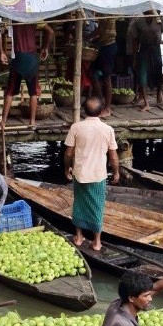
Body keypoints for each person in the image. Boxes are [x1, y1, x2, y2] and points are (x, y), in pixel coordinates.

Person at [64, 96, 119, 251]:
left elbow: (68, 154)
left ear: (84, 111)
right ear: (101, 112)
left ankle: (79, 236)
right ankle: (96, 241)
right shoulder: (108, 130)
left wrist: (66, 169)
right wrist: (116, 173)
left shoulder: (76, 127)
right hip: (98, 175)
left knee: (79, 204)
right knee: (97, 206)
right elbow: (113, 156)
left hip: (80, 173)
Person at [0, 22, 55, 126]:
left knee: (10, 92)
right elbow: (50, 31)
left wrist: (1, 51)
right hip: (31, 59)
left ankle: (3, 121)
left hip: (18, 58)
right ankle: (32, 121)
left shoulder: (12, 18)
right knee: (33, 93)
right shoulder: (34, 17)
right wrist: (45, 48)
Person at [126, 11, 163, 111]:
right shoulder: (139, 22)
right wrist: (134, 56)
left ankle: (158, 94)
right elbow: (136, 41)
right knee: (142, 76)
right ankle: (146, 102)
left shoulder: (161, 20)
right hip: (144, 49)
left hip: (156, 49)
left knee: (158, 73)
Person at [92, 14, 118, 115]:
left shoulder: (108, 14)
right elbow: (99, 30)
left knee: (107, 78)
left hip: (108, 46)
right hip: (103, 47)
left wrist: (92, 39)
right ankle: (101, 100)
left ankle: (107, 108)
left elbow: (102, 33)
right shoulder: (104, 15)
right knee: (93, 74)